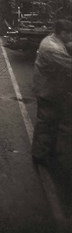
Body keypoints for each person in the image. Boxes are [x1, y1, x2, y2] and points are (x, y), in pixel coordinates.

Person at [31, 19, 72, 171]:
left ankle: (49, 150)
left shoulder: (52, 39)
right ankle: (39, 155)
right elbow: (69, 65)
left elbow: (67, 46)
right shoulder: (52, 49)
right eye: (70, 34)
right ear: (63, 33)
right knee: (46, 122)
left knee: (54, 120)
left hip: (53, 89)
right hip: (47, 90)